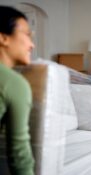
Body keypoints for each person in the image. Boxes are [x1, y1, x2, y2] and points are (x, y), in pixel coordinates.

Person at [0, 6, 35, 174]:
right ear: (3, 37)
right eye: (27, 34)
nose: (32, 44)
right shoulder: (14, 84)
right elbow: (20, 156)